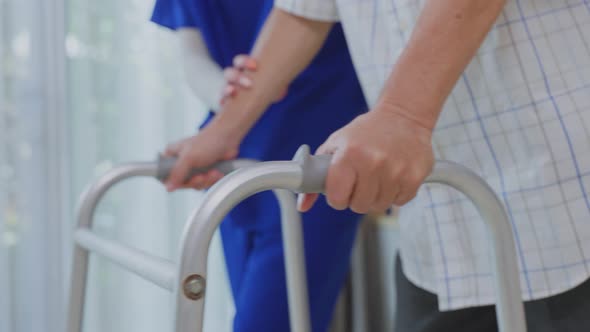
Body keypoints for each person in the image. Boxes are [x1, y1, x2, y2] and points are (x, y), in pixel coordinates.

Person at [165, 0, 590, 331]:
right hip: (439, 229)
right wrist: (222, 133)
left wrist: (403, 116)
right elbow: (304, 11)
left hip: (560, 193)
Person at [150, 1, 368, 331]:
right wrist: (226, 93)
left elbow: (305, 18)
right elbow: (192, 54)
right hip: (232, 160)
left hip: (314, 154)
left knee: (269, 322)